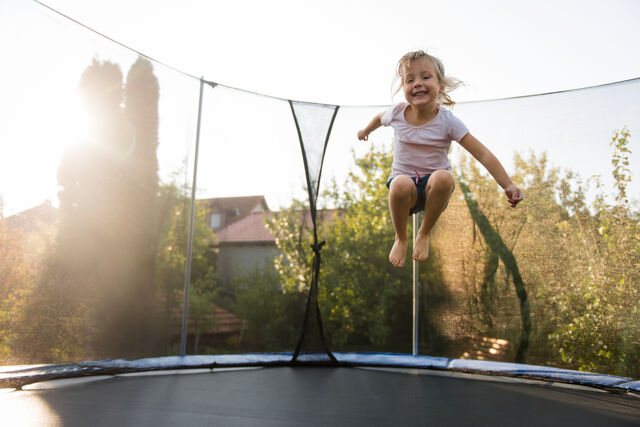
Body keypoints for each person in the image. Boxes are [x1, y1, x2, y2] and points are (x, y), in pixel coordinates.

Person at [357, 50, 523, 267]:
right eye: (410, 80)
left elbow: (482, 153)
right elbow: (380, 118)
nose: (417, 83)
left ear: (441, 86)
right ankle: (401, 237)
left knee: (444, 177)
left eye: (425, 77)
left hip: (432, 191)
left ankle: (424, 233)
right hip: (405, 192)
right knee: (399, 183)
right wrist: (365, 130)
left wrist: (507, 184)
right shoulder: (397, 113)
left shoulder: (447, 122)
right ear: (403, 87)